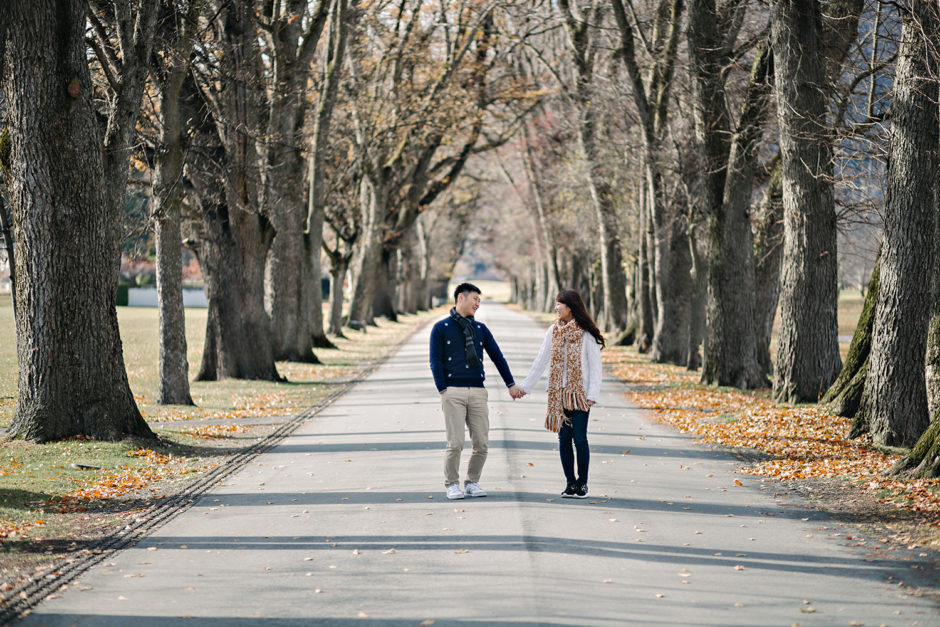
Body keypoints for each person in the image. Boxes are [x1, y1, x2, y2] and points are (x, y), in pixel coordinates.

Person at [429, 282, 524, 500]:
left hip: (478, 391)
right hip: (453, 391)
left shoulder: (480, 329)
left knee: (481, 442)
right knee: (456, 443)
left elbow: (497, 357)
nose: (477, 304)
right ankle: (451, 484)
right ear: (460, 298)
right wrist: (442, 388)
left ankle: (472, 482)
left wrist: (510, 384)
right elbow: (435, 360)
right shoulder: (441, 328)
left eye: (479, 301)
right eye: (475, 299)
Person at [518, 290, 604, 498]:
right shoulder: (553, 331)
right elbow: (540, 361)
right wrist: (525, 387)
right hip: (558, 394)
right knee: (564, 439)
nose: (556, 308)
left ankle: (583, 483)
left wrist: (593, 394)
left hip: (580, 394)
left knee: (580, 439)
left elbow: (595, 367)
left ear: (570, 306)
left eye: (559, 304)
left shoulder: (586, 334)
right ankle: (570, 483)